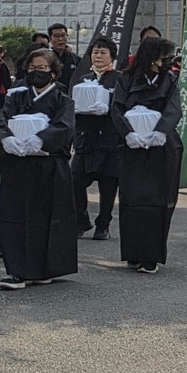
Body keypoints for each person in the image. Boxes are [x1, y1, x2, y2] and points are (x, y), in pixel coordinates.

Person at [0, 48, 79, 290]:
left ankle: (43, 269)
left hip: (48, 166)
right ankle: (18, 270)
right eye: (32, 68)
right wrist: (7, 138)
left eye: (42, 68)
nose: (36, 72)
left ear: (53, 72)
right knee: (15, 215)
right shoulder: (16, 97)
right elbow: (3, 120)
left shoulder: (63, 100)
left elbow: (65, 127)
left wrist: (40, 139)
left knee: (46, 218)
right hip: (18, 164)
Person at [111, 36, 183, 273]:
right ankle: (133, 252)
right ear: (152, 57)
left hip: (162, 145)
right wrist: (128, 133)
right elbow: (117, 108)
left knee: (159, 199)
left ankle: (151, 256)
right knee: (132, 198)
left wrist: (161, 131)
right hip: (132, 145)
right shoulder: (126, 78)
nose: (169, 61)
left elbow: (174, 109)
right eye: (165, 56)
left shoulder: (170, 79)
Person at [71, 36, 121, 240]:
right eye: (95, 52)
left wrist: (108, 108)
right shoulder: (83, 78)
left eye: (103, 52)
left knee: (108, 186)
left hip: (109, 139)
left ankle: (103, 225)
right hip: (85, 138)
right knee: (75, 181)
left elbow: (124, 106)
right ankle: (81, 221)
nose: (98, 56)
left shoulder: (120, 79)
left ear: (112, 56)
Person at [48, 23, 79, 89]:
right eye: (56, 36)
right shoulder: (45, 58)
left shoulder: (74, 58)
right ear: (50, 39)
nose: (60, 39)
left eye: (63, 35)